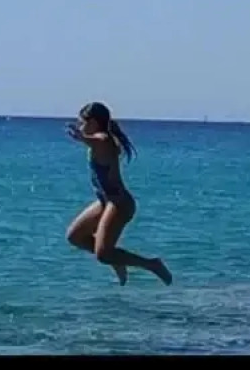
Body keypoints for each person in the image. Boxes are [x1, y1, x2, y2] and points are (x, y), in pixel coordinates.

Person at [65, 102, 172, 286]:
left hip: (119, 203)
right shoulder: (99, 141)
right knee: (75, 236)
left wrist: (82, 137)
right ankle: (116, 260)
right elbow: (93, 142)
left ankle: (152, 264)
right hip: (105, 201)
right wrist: (84, 138)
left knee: (103, 254)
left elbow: (98, 141)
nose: (81, 126)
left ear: (94, 122)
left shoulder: (104, 140)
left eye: (83, 122)